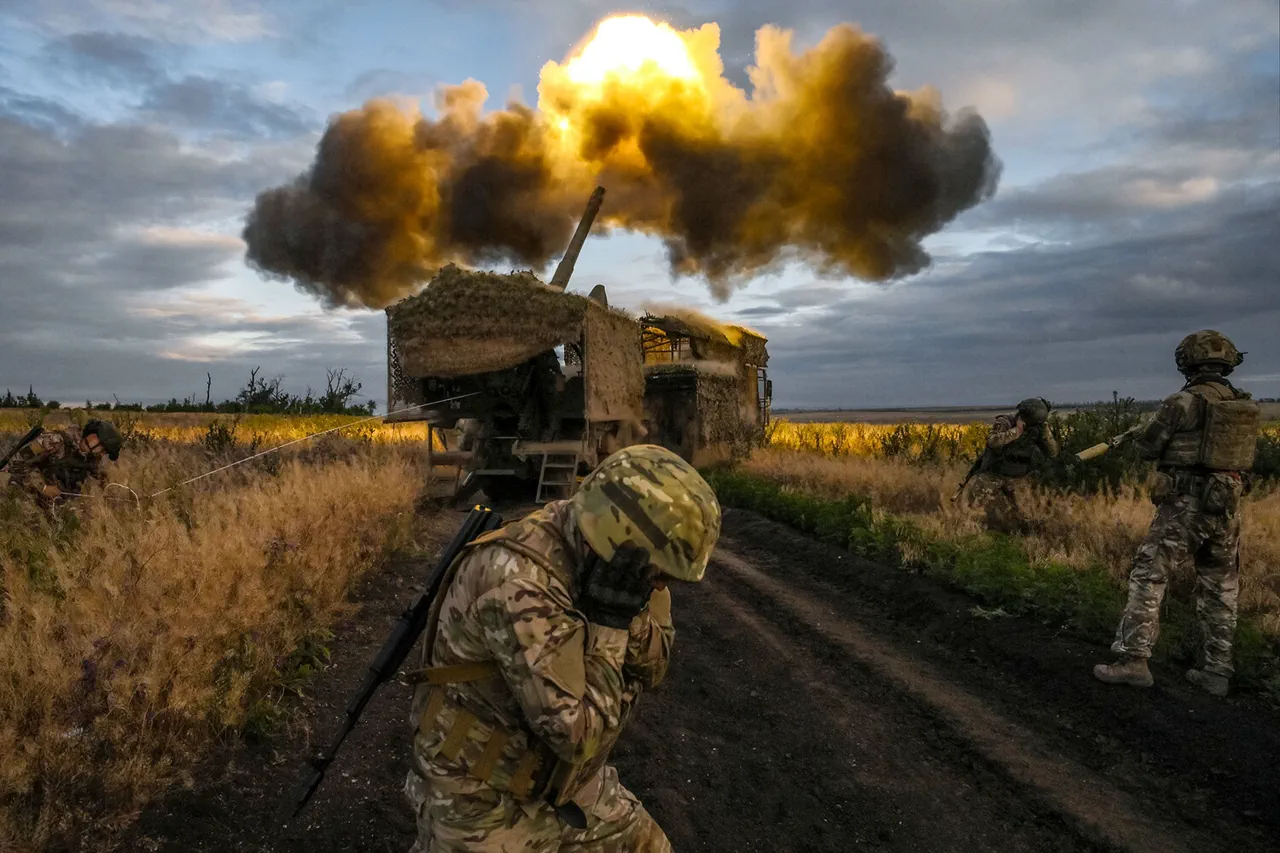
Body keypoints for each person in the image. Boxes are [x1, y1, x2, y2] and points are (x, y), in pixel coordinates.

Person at [404, 444, 721, 852]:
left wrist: (630, 612)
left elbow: (654, 667)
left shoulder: (617, 570)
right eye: (660, 574)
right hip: (482, 799)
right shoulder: (519, 581)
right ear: (616, 540)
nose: (662, 586)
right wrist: (610, 625)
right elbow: (577, 738)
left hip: (567, 785)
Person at [1094, 330, 1260, 697]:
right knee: (1221, 588)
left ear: (1188, 361)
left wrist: (1148, 430)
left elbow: (1147, 448)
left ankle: (1133, 662)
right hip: (1227, 506)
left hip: (1185, 505)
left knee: (1148, 576)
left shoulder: (1181, 402)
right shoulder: (1243, 405)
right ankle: (1217, 672)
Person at [967, 397, 1059, 534]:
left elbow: (1052, 452)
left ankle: (1019, 536)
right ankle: (975, 535)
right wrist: (1017, 431)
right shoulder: (1005, 421)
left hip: (1019, 475)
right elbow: (993, 442)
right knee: (977, 508)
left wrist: (1045, 433)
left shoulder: (1038, 428)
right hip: (994, 472)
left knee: (1027, 516)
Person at [3, 419, 121, 511]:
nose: (102, 454)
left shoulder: (92, 456)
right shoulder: (53, 441)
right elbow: (16, 462)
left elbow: (99, 479)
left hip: (54, 500)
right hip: (26, 489)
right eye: (103, 450)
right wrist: (42, 487)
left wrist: (111, 496)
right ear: (94, 438)